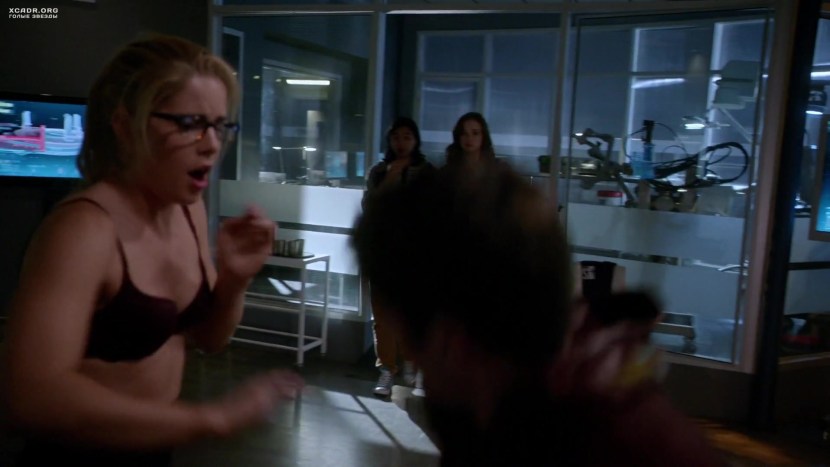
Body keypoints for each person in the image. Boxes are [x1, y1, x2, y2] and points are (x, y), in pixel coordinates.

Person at [1, 35, 303, 466]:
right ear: (126, 126)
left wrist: (235, 279)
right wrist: (211, 419)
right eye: (189, 123)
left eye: (219, 126)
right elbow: (31, 396)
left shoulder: (187, 208)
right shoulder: (83, 230)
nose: (211, 144)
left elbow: (209, 339)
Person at [352, 162, 725, 466]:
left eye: (410, 336)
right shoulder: (502, 392)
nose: (416, 361)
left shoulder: (615, 441)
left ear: (451, 342)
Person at [364, 117, 436, 397]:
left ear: (416, 140)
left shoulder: (427, 172)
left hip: (416, 255)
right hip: (383, 252)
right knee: (382, 315)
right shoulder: (379, 171)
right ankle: (387, 369)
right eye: (396, 137)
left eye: (407, 137)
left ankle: (411, 365)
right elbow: (369, 207)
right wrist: (391, 177)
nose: (401, 142)